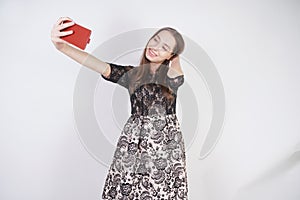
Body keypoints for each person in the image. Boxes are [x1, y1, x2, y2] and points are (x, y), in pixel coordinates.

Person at [51, 16, 188, 199]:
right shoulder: (133, 75)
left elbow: (177, 76)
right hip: (133, 143)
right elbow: (98, 64)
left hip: (165, 146)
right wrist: (63, 47)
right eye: (155, 40)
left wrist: (176, 56)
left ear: (171, 55)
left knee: (161, 191)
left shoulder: (171, 78)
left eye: (164, 47)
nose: (155, 47)